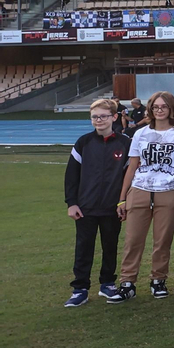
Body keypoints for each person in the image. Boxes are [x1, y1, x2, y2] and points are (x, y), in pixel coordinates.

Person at [115, 91, 174, 301]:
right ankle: (127, 282)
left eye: (164, 106)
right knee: (133, 240)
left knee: (162, 241)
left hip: (168, 191)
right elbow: (131, 167)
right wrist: (123, 197)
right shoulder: (140, 133)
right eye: (156, 106)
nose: (160, 110)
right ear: (150, 109)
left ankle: (158, 280)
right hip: (140, 190)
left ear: (171, 109)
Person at [63, 99, 134, 308]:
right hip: (85, 207)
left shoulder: (125, 144)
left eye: (103, 116)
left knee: (110, 246)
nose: (99, 120)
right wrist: (72, 203)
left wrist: (124, 202)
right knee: (84, 247)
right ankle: (80, 288)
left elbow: (130, 177)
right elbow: (71, 177)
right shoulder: (83, 143)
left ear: (114, 117)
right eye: (95, 117)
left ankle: (107, 283)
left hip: (113, 207)